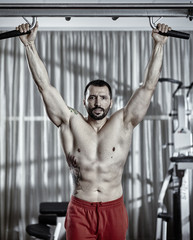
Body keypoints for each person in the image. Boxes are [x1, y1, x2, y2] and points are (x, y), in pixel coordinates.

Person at [17, 22, 171, 240]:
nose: (97, 102)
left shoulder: (123, 122)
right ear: (84, 101)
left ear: (111, 102)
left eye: (103, 97)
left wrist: (159, 45)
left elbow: (148, 86)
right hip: (80, 210)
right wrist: (29, 46)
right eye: (92, 97)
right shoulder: (70, 121)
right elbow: (45, 87)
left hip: (113, 209)